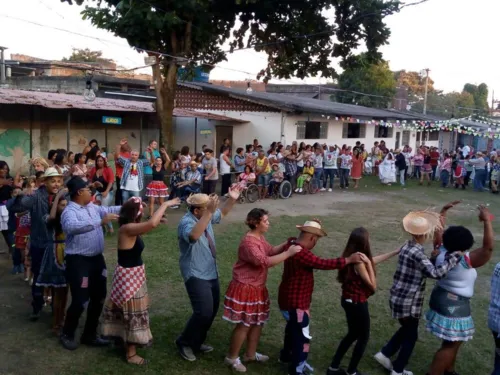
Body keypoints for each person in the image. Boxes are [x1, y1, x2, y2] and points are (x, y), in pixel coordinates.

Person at [374, 206, 464, 375]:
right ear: (424, 234)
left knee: (407, 330)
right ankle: (398, 369)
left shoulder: (407, 246)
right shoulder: (418, 253)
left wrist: (431, 257)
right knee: (411, 336)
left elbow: (420, 267)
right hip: (409, 302)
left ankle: (385, 354)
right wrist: (454, 257)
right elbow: (436, 274)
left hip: (399, 297)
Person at [278, 220, 364, 375]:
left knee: (292, 330)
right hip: (297, 303)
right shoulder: (301, 253)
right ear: (312, 238)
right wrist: (349, 260)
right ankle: (297, 369)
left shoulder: (291, 243)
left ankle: (286, 356)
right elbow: (322, 263)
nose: (315, 243)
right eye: (316, 240)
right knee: (302, 337)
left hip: (286, 300)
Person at [101, 196, 180, 365]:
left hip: (132, 275)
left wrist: (157, 217)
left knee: (127, 311)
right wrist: (165, 204)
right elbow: (151, 224)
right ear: (135, 214)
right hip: (129, 278)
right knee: (133, 313)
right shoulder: (127, 228)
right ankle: (131, 354)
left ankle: (122, 341)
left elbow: (150, 223)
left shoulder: (129, 227)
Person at [223, 209, 302, 372]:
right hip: (245, 288)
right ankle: (231, 358)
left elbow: (270, 251)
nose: (268, 223)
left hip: (257, 287)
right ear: (256, 223)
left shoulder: (259, 237)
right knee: (244, 324)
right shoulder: (248, 243)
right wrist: (288, 253)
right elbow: (265, 261)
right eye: (265, 221)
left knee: (257, 323)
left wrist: (287, 244)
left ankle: (250, 355)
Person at [426, 205, 494, 375]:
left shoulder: (441, 250)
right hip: (454, 304)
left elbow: (439, 232)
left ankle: (449, 370)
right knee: (452, 344)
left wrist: (443, 213)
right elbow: (488, 249)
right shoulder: (464, 260)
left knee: (452, 339)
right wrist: (486, 221)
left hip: (440, 297)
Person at [175, 188, 241, 362]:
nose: (211, 210)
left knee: (210, 311)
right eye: (207, 208)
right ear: (196, 210)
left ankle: (196, 342)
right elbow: (194, 236)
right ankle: (184, 342)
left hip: (210, 270)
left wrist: (232, 199)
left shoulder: (206, 215)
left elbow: (223, 212)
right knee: (203, 312)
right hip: (195, 272)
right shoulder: (186, 222)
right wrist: (209, 213)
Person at [327, 228, 400, 375]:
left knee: (352, 334)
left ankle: (333, 368)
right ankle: (352, 371)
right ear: (364, 242)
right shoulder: (359, 262)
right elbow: (372, 286)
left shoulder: (352, 255)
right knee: (363, 337)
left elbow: (373, 261)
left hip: (348, 300)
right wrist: (369, 266)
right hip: (356, 303)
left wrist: (396, 251)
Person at [59, 176, 121, 351]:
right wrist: (100, 222)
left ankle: (90, 334)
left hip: (96, 260)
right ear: (79, 192)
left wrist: (130, 205)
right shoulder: (69, 212)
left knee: (99, 297)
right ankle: (67, 333)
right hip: (79, 261)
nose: (91, 192)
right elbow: (72, 228)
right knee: (80, 299)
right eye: (88, 189)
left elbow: (108, 209)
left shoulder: (92, 207)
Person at [9, 167, 64, 320]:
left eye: (59, 181)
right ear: (44, 182)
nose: (56, 184)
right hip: (40, 243)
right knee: (38, 277)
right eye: (52, 181)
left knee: (57, 278)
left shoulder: (64, 196)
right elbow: (16, 207)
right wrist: (19, 193)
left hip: (58, 245)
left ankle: (56, 308)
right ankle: (37, 307)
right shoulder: (36, 196)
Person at [36, 188, 69, 334]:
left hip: (67, 253)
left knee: (65, 290)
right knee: (57, 291)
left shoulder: (69, 218)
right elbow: (51, 219)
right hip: (55, 254)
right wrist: (57, 198)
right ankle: (56, 323)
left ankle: (62, 318)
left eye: (66, 204)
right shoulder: (48, 218)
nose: (65, 207)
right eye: (62, 205)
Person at [88, 155, 115, 233]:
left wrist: (106, 191)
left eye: (101, 161)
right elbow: (90, 181)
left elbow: (111, 181)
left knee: (104, 208)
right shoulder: (94, 169)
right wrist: (91, 185)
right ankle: (101, 226)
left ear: (104, 161)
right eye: (98, 161)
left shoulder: (108, 169)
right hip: (98, 191)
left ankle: (110, 227)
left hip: (108, 191)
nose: (99, 162)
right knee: (94, 207)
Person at [146, 148, 170, 216]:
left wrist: (165, 153)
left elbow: (168, 160)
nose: (158, 162)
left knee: (161, 202)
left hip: (161, 185)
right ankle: (150, 215)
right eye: (157, 160)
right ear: (156, 162)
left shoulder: (164, 167)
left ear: (162, 162)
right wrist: (151, 153)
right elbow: (152, 160)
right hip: (153, 185)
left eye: (160, 160)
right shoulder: (153, 166)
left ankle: (162, 213)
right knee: (151, 202)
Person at [114, 140, 132, 205]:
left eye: (126, 143)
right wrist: (120, 145)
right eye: (124, 144)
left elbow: (131, 163)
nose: (126, 145)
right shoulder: (118, 153)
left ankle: (125, 206)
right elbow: (119, 160)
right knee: (119, 192)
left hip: (127, 176)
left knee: (126, 192)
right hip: (120, 176)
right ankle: (118, 207)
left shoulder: (128, 153)